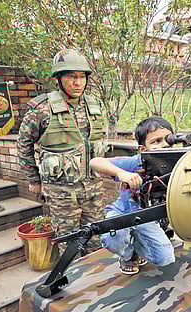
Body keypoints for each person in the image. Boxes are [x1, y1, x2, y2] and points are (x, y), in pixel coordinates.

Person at [17, 49, 108, 255]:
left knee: (97, 242)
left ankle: (96, 283)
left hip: (93, 189)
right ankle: (75, 283)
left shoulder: (94, 105)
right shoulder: (42, 109)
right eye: (71, 77)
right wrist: (34, 179)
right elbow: (23, 145)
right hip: (61, 194)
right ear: (59, 79)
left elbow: (99, 144)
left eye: (82, 77)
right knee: (70, 245)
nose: (78, 83)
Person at [89, 116, 175, 275]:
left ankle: (138, 249)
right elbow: (95, 162)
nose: (163, 145)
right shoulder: (137, 162)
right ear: (143, 149)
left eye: (168, 140)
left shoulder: (178, 164)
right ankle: (128, 256)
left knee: (165, 258)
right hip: (124, 211)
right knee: (112, 237)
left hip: (148, 218)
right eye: (156, 141)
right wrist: (122, 173)